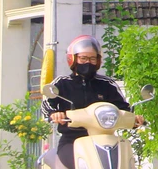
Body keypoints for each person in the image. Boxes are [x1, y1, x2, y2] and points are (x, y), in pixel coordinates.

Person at [41, 35, 144, 169]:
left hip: (105, 137)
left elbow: (123, 109)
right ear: (73, 59)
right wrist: (55, 114)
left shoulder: (107, 84)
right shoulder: (62, 83)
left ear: (98, 60)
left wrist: (134, 119)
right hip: (72, 140)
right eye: (83, 58)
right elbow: (47, 104)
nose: (88, 62)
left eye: (92, 58)